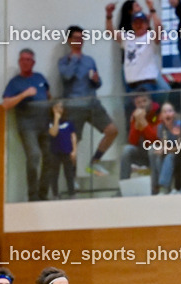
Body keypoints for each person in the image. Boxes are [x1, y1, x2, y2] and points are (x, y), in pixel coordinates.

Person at [57, 26, 118, 177]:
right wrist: (74, 60)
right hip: (73, 107)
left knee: (112, 130)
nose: (80, 41)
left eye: (81, 38)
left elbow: (98, 83)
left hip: (92, 104)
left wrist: (97, 80)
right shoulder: (63, 61)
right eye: (76, 38)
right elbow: (66, 76)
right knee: (72, 145)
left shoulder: (90, 60)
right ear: (69, 40)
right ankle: (73, 181)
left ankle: (95, 162)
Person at [2, 48, 52, 202]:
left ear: (33, 62)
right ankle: (33, 195)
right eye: (22, 59)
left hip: (45, 125)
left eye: (28, 59)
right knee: (34, 156)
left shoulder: (40, 78)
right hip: (27, 127)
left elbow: (49, 95)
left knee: (50, 157)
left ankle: (43, 194)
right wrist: (24, 95)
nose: (25, 62)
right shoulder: (15, 82)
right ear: (19, 62)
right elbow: (5, 104)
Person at [46, 100, 78, 200]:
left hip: (67, 151)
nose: (59, 109)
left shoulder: (68, 122)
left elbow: (73, 136)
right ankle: (55, 194)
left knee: (69, 174)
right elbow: (53, 133)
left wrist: (74, 151)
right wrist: (56, 119)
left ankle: (72, 194)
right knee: (54, 174)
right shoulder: (50, 122)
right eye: (56, 107)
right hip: (54, 152)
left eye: (61, 107)